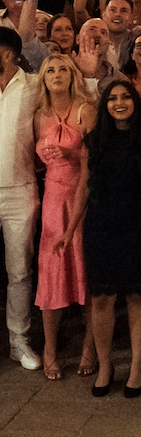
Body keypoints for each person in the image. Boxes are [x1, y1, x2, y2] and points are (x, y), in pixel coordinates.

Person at [64, 79, 141, 396]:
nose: (120, 103)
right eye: (113, 98)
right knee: (101, 298)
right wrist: (70, 229)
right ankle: (106, 364)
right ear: (104, 104)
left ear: (136, 102)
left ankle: (137, 366)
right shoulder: (94, 141)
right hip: (100, 224)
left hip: (137, 224)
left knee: (137, 296)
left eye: (127, 97)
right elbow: (83, 187)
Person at [32, 55, 97, 380]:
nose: (57, 75)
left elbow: (95, 164)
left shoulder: (86, 110)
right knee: (51, 274)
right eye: (50, 70)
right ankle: (50, 349)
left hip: (81, 197)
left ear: (73, 76)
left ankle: (90, 347)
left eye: (62, 70)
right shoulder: (39, 116)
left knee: (86, 272)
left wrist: (75, 154)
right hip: (51, 203)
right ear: (43, 79)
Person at [0, 26, 41, 371]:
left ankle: (19, 340)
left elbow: (68, 91)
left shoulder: (32, 86)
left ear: (10, 55)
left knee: (19, 271)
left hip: (20, 189)